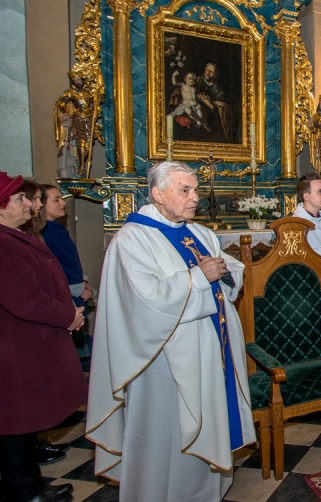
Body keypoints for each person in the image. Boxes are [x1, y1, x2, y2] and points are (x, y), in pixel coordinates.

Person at [86, 161, 256, 501]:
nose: (195, 198)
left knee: (207, 420)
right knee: (165, 433)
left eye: (195, 190)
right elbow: (143, 301)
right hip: (161, 361)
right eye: (185, 190)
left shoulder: (199, 232)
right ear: (158, 194)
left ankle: (206, 493)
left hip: (209, 352)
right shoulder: (131, 239)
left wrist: (225, 271)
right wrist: (198, 277)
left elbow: (226, 267)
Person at [0, 171, 86, 502]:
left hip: (25, 342)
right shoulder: (4, 244)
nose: (29, 204)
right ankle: (26, 492)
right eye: (20, 198)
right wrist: (68, 315)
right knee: (15, 425)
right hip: (16, 347)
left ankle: (29, 484)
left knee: (21, 424)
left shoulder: (15, 237)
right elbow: (27, 300)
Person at [40, 186, 94, 311]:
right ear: (41, 204)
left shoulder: (56, 228)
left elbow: (71, 261)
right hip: (63, 294)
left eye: (61, 198)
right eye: (56, 200)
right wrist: (79, 289)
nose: (63, 203)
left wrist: (83, 282)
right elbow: (57, 266)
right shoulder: (44, 232)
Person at [196, 62, 234, 143]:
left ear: (215, 75)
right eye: (207, 70)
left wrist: (208, 103)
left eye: (211, 72)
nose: (208, 73)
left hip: (212, 123)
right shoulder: (198, 81)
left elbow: (222, 112)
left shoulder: (218, 90)